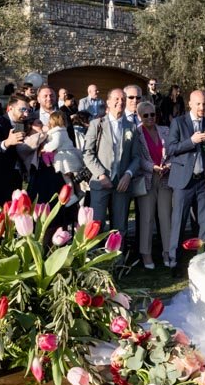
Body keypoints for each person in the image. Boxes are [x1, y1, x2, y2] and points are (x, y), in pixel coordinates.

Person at [166, 90, 205, 269]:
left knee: (203, 223)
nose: (201, 107)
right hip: (183, 181)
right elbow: (171, 149)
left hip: (202, 180)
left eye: (204, 104)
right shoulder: (179, 123)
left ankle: (202, 261)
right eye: (198, 104)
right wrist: (191, 141)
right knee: (179, 222)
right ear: (190, 104)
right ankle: (174, 262)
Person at [83, 89, 141, 242]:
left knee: (119, 227)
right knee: (96, 226)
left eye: (123, 99)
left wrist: (128, 174)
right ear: (108, 102)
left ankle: (117, 261)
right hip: (100, 183)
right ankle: (93, 260)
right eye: (116, 99)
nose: (120, 102)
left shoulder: (132, 127)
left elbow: (136, 157)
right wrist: (101, 175)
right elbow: (87, 153)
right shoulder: (97, 124)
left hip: (122, 184)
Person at [135, 101, 171, 270]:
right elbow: (136, 157)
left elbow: (171, 151)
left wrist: (168, 165)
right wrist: (151, 167)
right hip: (147, 179)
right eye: (146, 115)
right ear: (139, 116)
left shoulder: (165, 130)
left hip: (164, 178)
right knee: (147, 218)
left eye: (152, 114)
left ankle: (167, 252)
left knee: (165, 217)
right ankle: (146, 253)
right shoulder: (136, 133)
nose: (150, 118)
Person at [0, 95, 33, 205]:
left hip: (16, 177)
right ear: (10, 108)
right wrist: (7, 142)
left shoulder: (22, 124)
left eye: (28, 110)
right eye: (23, 110)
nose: (26, 114)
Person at [43, 110, 83, 205]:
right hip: (68, 155)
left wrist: (45, 148)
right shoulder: (62, 130)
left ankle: (72, 196)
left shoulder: (58, 132)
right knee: (71, 177)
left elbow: (55, 144)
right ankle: (79, 191)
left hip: (65, 157)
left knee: (66, 177)